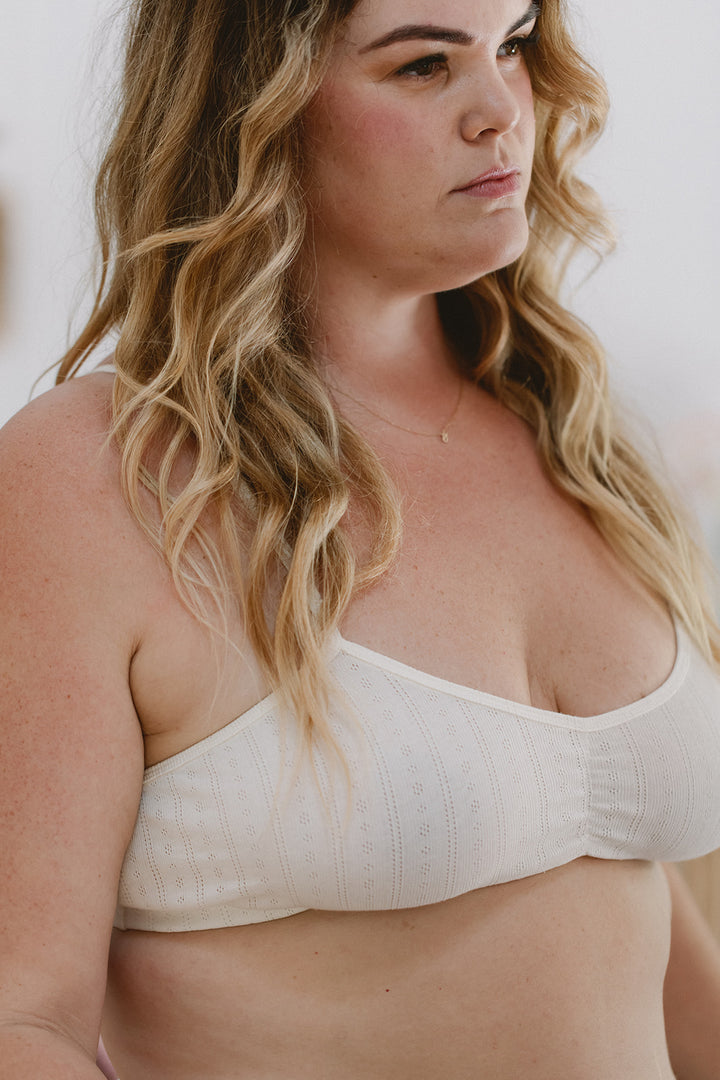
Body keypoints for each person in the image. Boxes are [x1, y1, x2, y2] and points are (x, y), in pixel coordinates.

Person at [2, 0, 720, 1076]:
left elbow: (602, 874)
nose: (499, 110)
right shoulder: (100, 479)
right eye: (424, 64)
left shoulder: (573, 431)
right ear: (257, 112)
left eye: (513, 44)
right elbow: (24, 1022)